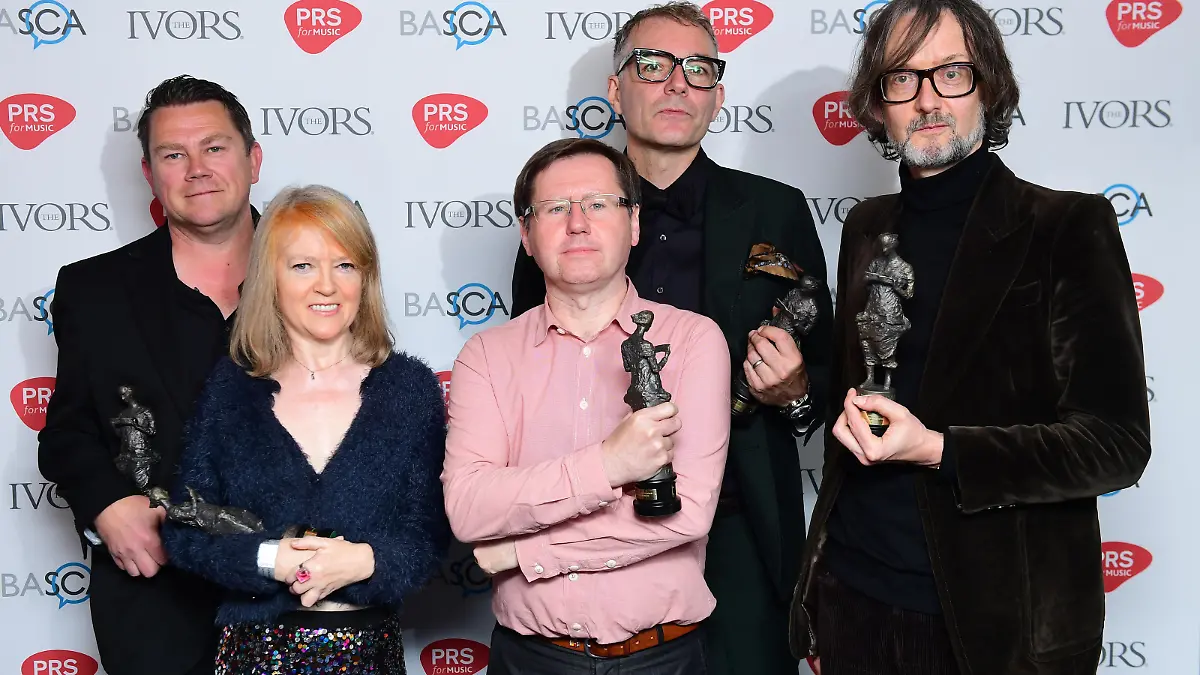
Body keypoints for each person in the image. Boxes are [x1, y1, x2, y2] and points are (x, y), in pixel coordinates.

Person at [787, 2, 1152, 674]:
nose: (928, 100)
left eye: (950, 73)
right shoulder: (866, 227)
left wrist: (936, 448)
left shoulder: (1066, 227)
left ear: (988, 84)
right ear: (877, 103)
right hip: (853, 599)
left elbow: (1116, 445)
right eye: (902, 78)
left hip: (990, 625)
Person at [508, 4, 832, 673]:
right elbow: (528, 371)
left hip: (741, 533)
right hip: (592, 527)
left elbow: (825, 376)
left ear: (718, 93)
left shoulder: (776, 209)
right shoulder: (563, 209)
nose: (677, 83)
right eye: (652, 66)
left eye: (699, 68)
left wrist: (798, 389)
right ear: (616, 89)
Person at [443, 137, 731, 674]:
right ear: (527, 236)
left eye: (598, 204)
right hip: (529, 659)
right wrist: (608, 466)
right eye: (555, 208)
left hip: (663, 658)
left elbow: (683, 514)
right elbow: (469, 508)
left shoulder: (693, 341)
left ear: (635, 224)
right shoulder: (485, 356)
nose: (577, 223)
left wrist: (524, 554)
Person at [162, 185, 448, 673]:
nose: (327, 286)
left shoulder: (409, 390)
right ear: (269, 279)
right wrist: (268, 558)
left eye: (344, 265)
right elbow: (186, 528)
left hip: (368, 655)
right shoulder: (231, 390)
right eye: (302, 266)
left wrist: (368, 562)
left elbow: (431, 536)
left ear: (366, 277)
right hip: (253, 657)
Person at [38, 74, 263, 675]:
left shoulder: (324, 273)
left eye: (214, 147)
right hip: (156, 601)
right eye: (173, 154)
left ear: (253, 159)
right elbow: (68, 432)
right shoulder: (93, 290)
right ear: (150, 175)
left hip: (296, 592)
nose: (196, 169)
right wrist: (106, 504)